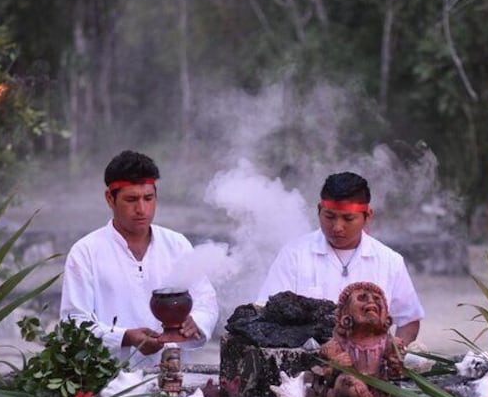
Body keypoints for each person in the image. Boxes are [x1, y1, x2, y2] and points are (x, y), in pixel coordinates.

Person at [60, 150, 218, 369]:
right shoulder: (85, 252)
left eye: (148, 198)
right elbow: (74, 324)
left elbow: (206, 299)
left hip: (172, 377)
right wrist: (126, 337)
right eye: (131, 199)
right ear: (110, 198)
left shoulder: (176, 244)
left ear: (156, 195)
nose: (141, 209)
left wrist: (196, 321)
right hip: (110, 386)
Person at [256, 171, 424, 345]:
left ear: (368, 216)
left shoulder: (389, 261)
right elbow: (266, 312)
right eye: (329, 217)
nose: (337, 227)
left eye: (348, 218)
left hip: (368, 368)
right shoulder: (294, 255)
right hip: (303, 366)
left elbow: (409, 320)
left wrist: (390, 356)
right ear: (319, 210)